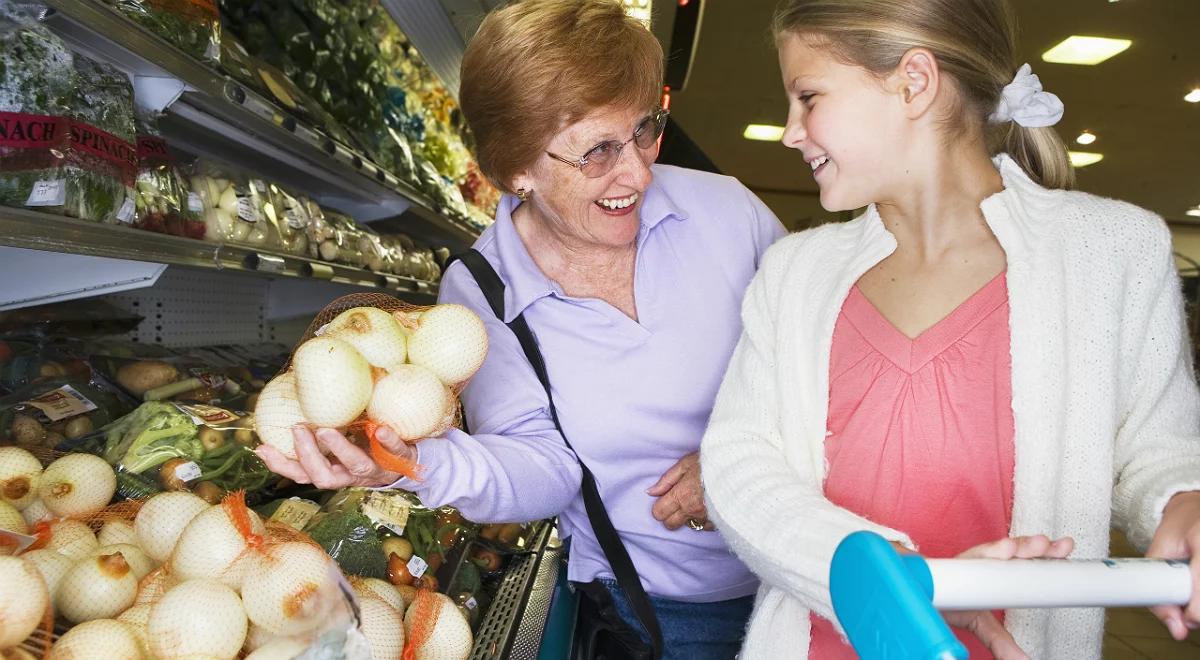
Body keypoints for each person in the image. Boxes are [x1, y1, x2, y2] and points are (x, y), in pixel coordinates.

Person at [255, 1, 787, 657]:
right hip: (659, 613)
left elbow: (833, 358)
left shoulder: (727, 212)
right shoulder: (482, 288)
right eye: (597, 151)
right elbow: (545, 467)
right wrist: (411, 461)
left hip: (808, 568)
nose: (639, 172)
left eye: (645, 129)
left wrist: (742, 454)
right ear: (516, 169)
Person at [699, 0, 1200, 658]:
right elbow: (740, 465)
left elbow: (1156, 445)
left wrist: (1183, 498)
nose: (792, 131)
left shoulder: (1112, 252)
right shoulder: (795, 274)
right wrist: (888, 581)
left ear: (913, 82)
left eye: (808, 96)